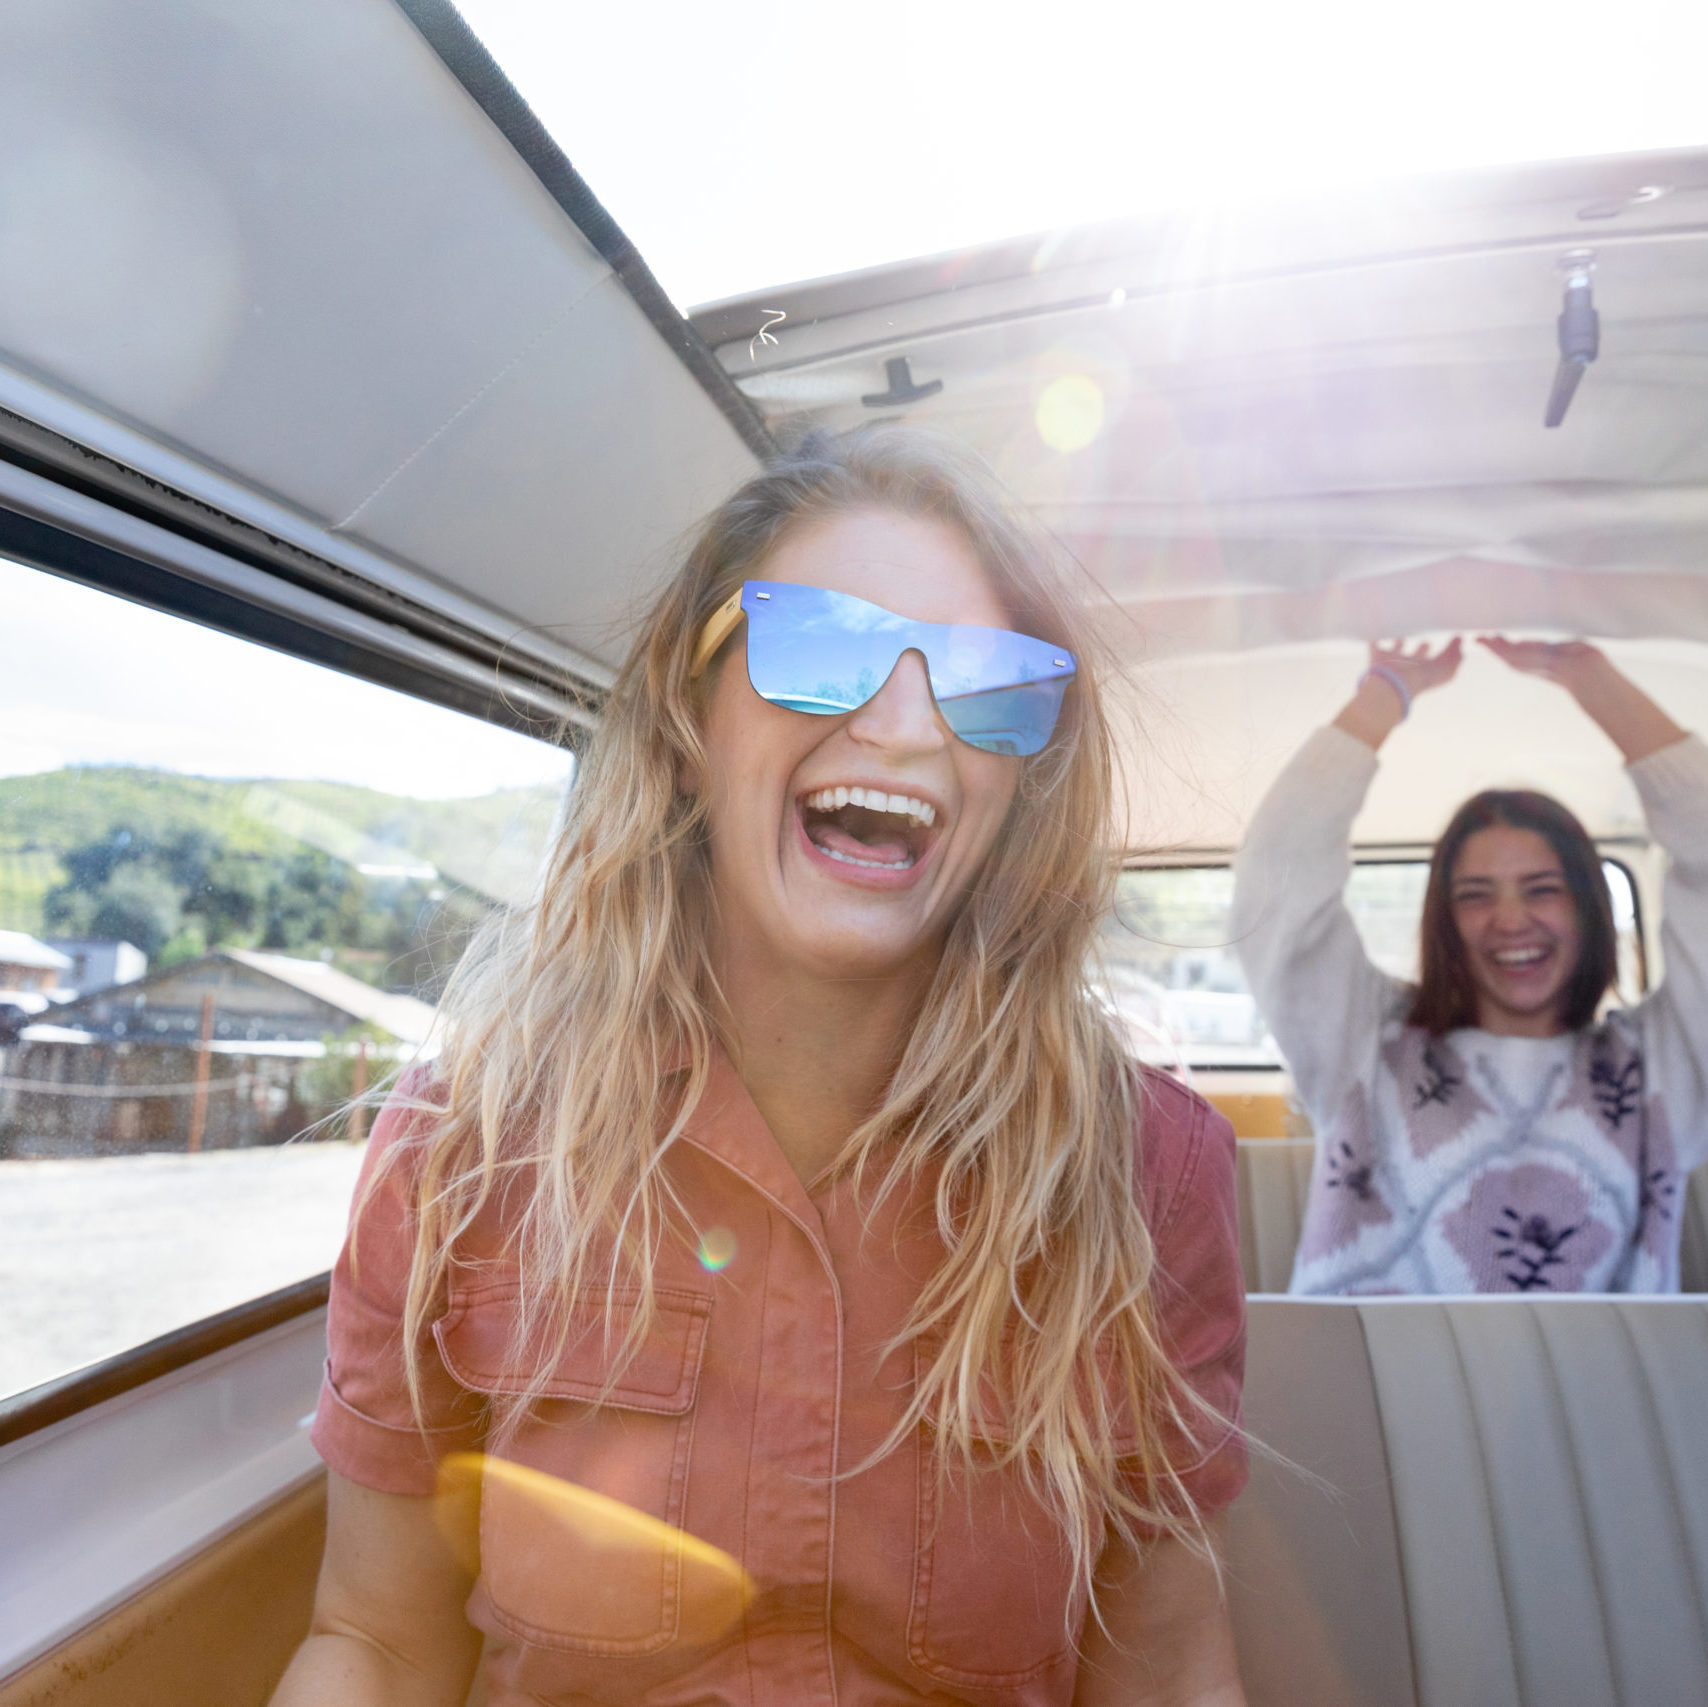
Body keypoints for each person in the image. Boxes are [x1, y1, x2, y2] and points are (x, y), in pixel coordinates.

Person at [271, 429, 1249, 1707]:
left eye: (989, 682)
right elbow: (380, 1646)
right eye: (823, 646)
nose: (904, 727)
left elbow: (1165, 1665)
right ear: (689, 722)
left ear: (1022, 780)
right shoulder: (465, 1143)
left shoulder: (1146, 1174)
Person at [1232, 634, 1708, 1296]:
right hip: (1363, 1393)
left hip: (1598, 1398)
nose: (1510, 918)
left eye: (1543, 888)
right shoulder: (1367, 1040)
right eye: (1475, 895)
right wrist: (1385, 693)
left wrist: (1590, 677)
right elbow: (1273, 881)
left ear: (1591, 908)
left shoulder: (1664, 1062)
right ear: (1443, 920)